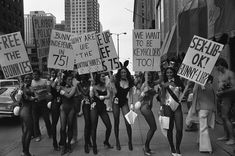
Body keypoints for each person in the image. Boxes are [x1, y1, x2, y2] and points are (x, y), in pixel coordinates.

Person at [161, 67, 184, 156]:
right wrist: (161, 108)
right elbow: (162, 97)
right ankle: (172, 147)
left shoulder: (179, 82)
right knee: (169, 128)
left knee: (179, 129)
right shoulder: (164, 83)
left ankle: (178, 147)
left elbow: (183, 93)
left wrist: (188, 85)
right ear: (165, 74)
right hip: (167, 107)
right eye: (167, 73)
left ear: (174, 73)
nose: (169, 74)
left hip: (177, 106)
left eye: (171, 72)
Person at [112, 60, 134, 151]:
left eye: (125, 72)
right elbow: (115, 92)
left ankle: (130, 141)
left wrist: (132, 104)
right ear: (120, 73)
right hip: (116, 102)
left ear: (127, 73)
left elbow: (131, 94)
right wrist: (112, 83)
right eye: (122, 72)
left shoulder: (130, 81)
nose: (123, 73)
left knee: (128, 122)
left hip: (124, 102)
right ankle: (117, 141)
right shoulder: (115, 81)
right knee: (116, 121)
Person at [191, 75, 216, 153]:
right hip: (211, 109)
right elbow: (215, 98)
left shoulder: (198, 86)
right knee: (204, 127)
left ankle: (207, 148)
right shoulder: (211, 87)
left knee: (203, 128)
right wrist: (215, 110)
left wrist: (193, 109)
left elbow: (195, 96)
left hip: (202, 109)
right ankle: (200, 141)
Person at [90, 72, 113, 154]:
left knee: (109, 126)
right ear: (98, 77)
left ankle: (106, 141)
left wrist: (102, 96)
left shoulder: (106, 86)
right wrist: (91, 88)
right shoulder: (94, 87)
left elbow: (109, 96)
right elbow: (90, 96)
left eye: (104, 76)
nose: (104, 77)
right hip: (94, 108)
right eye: (103, 76)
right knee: (94, 127)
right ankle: (94, 146)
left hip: (102, 108)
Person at [215, 58, 235, 145]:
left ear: (221, 64)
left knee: (226, 117)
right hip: (221, 98)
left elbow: (234, 87)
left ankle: (232, 138)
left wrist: (223, 92)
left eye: (217, 66)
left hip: (228, 98)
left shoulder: (230, 73)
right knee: (223, 117)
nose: (216, 68)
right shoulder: (220, 74)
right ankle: (226, 135)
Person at [138, 72, 157, 155]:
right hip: (145, 107)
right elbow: (139, 98)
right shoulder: (144, 85)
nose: (148, 76)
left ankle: (147, 148)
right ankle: (146, 147)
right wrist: (143, 93)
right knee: (153, 128)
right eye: (147, 75)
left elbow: (160, 80)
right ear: (144, 76)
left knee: (153, 128)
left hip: (148, 107)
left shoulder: (151, 84)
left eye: (150, 74)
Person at [17, 75, 36, 156]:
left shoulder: (30, 87)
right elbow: (18, 99)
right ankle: (26, 153)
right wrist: (21, 90)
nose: (28, 79)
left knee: (25, 132)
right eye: (26, 78)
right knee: (29, 131)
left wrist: (34, 97)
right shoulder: (22, 88)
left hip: (27, 110)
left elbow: (35, 96)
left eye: (29, 78)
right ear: (24, 79)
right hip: (26, 111)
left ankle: (24, 152)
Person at [31, 69, 52, 142]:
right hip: (34, 103)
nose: (34, 76)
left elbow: (49, 90)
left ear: (39, 75)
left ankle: (50, 133)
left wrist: (45, 89)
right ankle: (38, 135)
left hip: (43, 102)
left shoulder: (44, 81)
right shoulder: (31, 82)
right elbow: (30, 92)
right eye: (33, 75)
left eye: (36, 74)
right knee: (35, 120)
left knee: (46, 119)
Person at [59, 72, 76, 155]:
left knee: (70, 127)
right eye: (68, 79)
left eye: (71, 79)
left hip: (71, 109)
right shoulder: (61, 86)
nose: (70, 81)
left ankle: (69, 144)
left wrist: (62, 92)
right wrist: (58, 77)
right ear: (65, 80)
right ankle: (63, 146)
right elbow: (52, 87)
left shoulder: (74, 87)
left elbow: (69, 96)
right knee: (62, 128)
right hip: (63, 109)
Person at [48, 69, 62, 151]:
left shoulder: (62, 79)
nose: (53, 74)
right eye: (52, 73)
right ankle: (54, 143)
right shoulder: (49, 81)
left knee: (64, 124)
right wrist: (56, 80)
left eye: (55, 73)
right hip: (55, 103)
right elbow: (51, 88)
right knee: (54, 123)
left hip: (63, 102)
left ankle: (62, 141)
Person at [79, 74, 92, 153]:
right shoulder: (79, 84)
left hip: (92, 104)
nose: (82, 78)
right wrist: (90, 86)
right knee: (87, 123)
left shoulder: (91, 82)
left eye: (84, 76)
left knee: (91, 123)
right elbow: (84, 92)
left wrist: (92, 84)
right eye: (81, 76)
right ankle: (86, 144)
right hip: (85, 104)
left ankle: (89, 140)